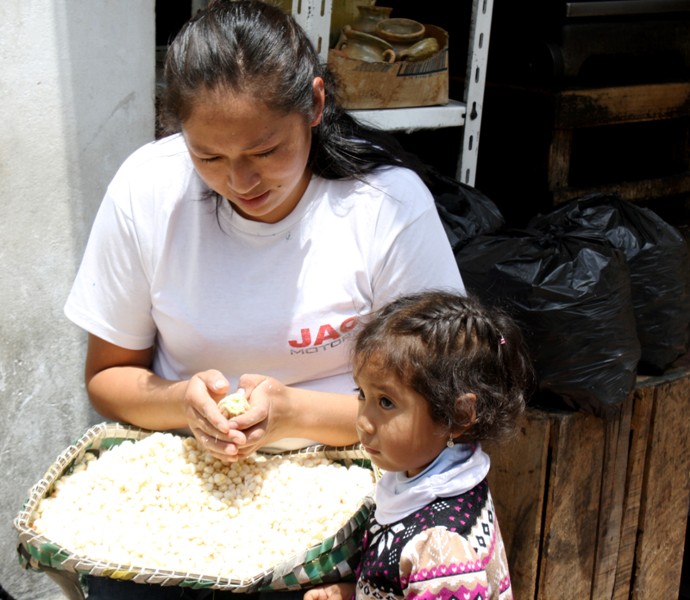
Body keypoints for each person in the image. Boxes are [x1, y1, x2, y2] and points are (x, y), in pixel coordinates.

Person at [63, 0, 465, 597]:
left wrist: (294, 413)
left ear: (316, 107)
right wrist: (183, 405)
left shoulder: (385, 208)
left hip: (349, 476)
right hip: (187, 479)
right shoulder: (147, 189)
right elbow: (108, 377)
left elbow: (441, 409)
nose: (241, 182)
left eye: (265, 151)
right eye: (209, 157)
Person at [304, 290, 534, 600]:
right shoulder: (435, 475)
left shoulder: (441, 550)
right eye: (362, 394)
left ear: (458, 415)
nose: (363, 421)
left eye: (386, 402)